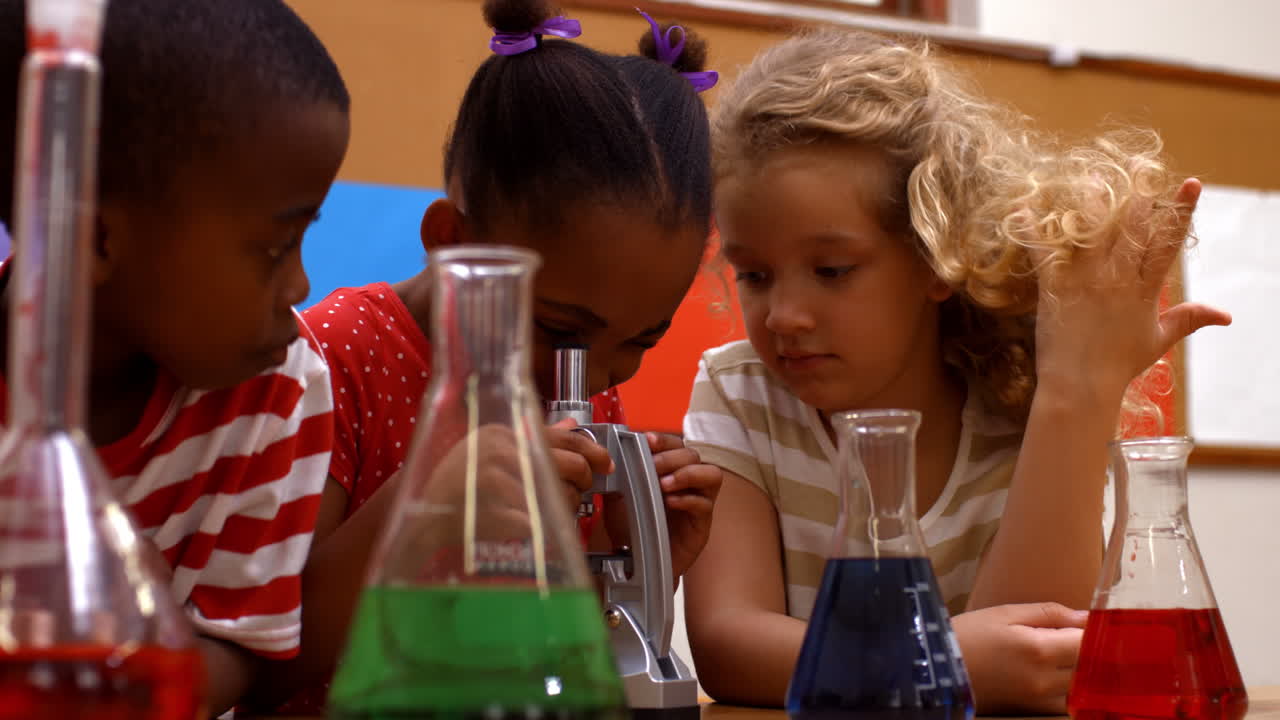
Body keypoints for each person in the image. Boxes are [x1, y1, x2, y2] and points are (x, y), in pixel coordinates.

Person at [681, 28, 1231, 713]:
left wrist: (1077, 386)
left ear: (935, 255)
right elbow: (728, 646)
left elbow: (1043, 658)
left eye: (831, 270)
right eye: (755, 275)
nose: (784, 314)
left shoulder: (1018, 407)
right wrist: (940, 660)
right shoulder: (738, 396)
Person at [264, 0, 724, 712]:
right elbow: (269, 659)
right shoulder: (334, 362)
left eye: (642, 341)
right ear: (453, 241)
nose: (595, 377)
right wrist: (438, 501)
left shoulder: (586, 384)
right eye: (560, 328)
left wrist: (638, 561)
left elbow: (553, 642)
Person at [0, 0, 350, 714]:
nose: (302, 286)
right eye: (276, 247)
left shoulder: (277, 392)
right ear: (96, 239)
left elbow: (241, 645)